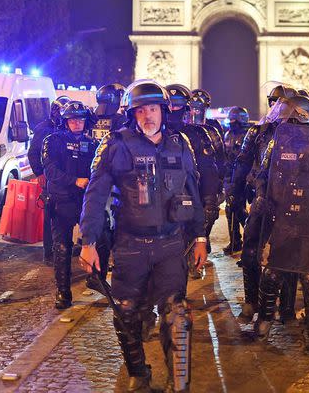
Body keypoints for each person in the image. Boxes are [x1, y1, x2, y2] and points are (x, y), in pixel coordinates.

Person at [79, 80, 206, 393]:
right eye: (141, 110)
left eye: (153, 108)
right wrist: (88, 241)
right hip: (131, 246)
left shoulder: (180, 145)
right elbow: (95, 196)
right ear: (132, 114)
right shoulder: (116, 145)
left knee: (177, 316)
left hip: (170, 244)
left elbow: (193, 191)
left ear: (163, 111)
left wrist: (201, 236)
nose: (148, 115)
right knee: (126, 313)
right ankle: (138, 372)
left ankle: (180, 385)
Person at [252, 95, 309, 353]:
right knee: (273, 269)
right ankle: (264, 322)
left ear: (299, 117)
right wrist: (263, 196)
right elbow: (263, 174)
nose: (282, 121)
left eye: (287, 118)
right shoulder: (277, 141)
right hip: (283, 214)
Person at [229, 87, 295, 321]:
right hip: (262, 195)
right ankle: (251, 302)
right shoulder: (258, 132)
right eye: (276, 103)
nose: (280, 108)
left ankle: (287, 307)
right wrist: (234, 194)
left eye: (285, 104)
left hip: (292, 200)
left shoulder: (303, 133)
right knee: (249, 250)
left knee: (289, 255)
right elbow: (242, 164)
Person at [41, 101, 98, 309]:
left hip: (85, 201)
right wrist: (74, 180)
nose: (76, 123)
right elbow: (50, 171)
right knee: (62, 247)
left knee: (99, 239)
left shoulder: (93, 145)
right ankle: (63, 292)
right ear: (65, 121)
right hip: (61, 200)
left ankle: (95, 279)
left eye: (80, 119)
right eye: (72, 119)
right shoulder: (52, 141)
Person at [165, 84, 221, 275]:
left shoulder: (198, 134)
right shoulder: (152, 133)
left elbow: (208, 171)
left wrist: (210, 201)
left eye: (178, 105)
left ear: (186, 107)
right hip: (157, 206)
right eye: (170, 104)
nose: (173, 109)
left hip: (188, 201)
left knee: (181, 265)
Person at [28, 95, 70, 265]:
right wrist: (39, 173)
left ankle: (63, 248)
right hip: (50, 178)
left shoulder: (68, 126)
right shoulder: (44, 128)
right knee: (51, 215)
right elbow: (33, 153)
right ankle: (49, 252)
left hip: (66, 178)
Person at [222, 106, 250, 254]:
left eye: (234, 120)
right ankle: (235, 242)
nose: (231, 123)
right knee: (229, 209)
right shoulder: (228, 135)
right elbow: (226, 157)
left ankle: (253, 236)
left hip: (243, 178)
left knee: (238, 209)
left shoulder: (248, 135)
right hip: (230, 178)